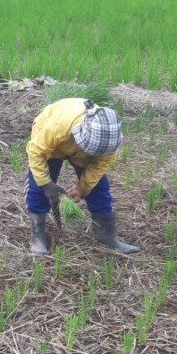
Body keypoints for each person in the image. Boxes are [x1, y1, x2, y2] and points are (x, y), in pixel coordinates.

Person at [26, 97, 139, 255]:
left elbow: (98, 166)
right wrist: (46, 184)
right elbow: (36, 151)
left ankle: (107, 236)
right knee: (38, 188)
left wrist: (82, 188)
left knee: (99, 188)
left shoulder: (110, 142)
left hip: (79, 148)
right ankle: (37, 236)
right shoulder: (57, 127)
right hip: (51, 144)